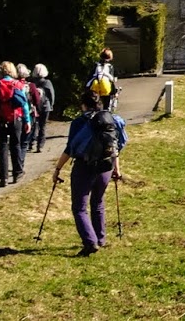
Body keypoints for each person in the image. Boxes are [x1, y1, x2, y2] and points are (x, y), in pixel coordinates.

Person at [53, 89, 127, 256]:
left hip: (84, 167)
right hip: (106, 166)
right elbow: (117, 145)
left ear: (83, 105)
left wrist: (57, 169)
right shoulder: (112, 119)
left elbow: (70, 149)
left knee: (79, 208)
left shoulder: (79, 122)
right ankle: (100, 238)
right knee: (98, 202)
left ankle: (90, 242)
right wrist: (117, 168)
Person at [0, 61, 32, 186]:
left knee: (2, 147)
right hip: (15, 118)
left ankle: (3, 178)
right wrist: (27, 120)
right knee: (15, 145)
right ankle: (17, 173)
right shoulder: (18, 85)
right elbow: (24, 104)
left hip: (0, 118)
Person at [28, 63, 56, 152]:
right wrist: (51, 105)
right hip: (45, 106)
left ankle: (31, 143)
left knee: (34, 125)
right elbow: (51, 95)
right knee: (42, 126)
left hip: (34, 106)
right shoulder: (47, 82)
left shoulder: (32, 82)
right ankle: (40, 145)